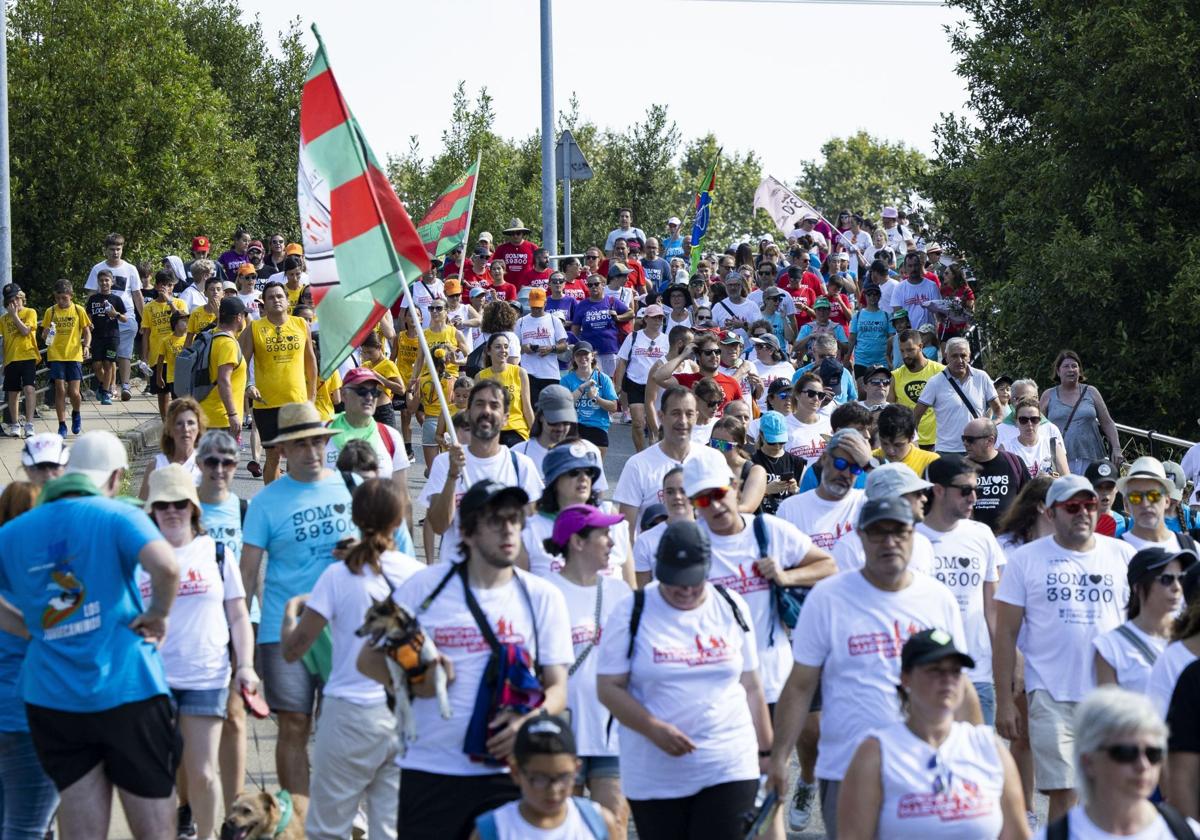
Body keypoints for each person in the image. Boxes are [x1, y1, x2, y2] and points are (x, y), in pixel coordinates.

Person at [358, 479, 572, 840]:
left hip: (508, 774)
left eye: (515, 519)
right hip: (429, 768)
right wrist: (417, 676)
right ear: (469, 532)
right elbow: (367, 659)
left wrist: (527, 722)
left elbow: (558, 688)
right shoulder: (422, 586)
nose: (508, 529)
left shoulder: (543, 596)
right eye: (495, 521)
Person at [0, 431, 181, 839]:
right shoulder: (117, 515)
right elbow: (167, 567)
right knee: (154, 828)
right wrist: (157, 615)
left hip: (54, 701)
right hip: (128, 690)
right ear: (117, 477)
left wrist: (30, 630)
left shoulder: (12, 532)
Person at [767, 496, 974, 838]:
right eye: (878, 533)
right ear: (859, 536)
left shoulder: (938, 598)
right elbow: (801, 685)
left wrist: (973, 757)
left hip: (923, 765)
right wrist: (779, 759)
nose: (889, 542)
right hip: (846, 766)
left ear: (914, 536)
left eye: (899, 532)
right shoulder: (827, 598)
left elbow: (960, 687)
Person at [596, 520, 774, 840]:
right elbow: (608, 688)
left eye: (694, 581)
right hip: (655, 771)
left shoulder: (731, 605)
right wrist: (653, 727)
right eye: (675, 582)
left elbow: (750, 685)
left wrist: (768, 754)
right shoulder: (631, 611)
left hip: (728, 762)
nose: (686, 590)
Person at [280, 479, 422, 840]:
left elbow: (294, 649)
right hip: (403, 716)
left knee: (329, 828)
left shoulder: (338, 575)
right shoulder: (418, 575)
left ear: (355, 518)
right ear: (399, 518)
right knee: (389, 830)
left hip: (347, 714)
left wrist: (290, 612)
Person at [993, 474, 1136, 823]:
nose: (1083, 513)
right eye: (1072, 507)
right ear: (1049, 512)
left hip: (1110, 698)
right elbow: (1005, 633)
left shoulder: (1123, 554)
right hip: (1051, 694)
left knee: (1112, 793)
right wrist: (1004, 702)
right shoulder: (1026, 559)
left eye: (1088, 505)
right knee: (1065, 794)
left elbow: (1141, 625)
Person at [239, 402, 356, 797]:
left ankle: (335, 814)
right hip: (282, 630)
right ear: (282, 451)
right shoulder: (266, 502)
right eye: (301, 444)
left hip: (343, 627)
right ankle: (299, 821)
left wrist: (361, 551)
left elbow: (384, 552)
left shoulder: (351, 486)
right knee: (293, 724)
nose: (312, 452)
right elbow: (247, 572)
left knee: (339, 727)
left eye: (318, 442)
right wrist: (245, 640)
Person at [141, 465, 257, 840]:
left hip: (205, 675)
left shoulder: (216, 552)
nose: (172, 511)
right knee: (160, 775)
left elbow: (238, 613)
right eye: (163, 505)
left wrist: (247, 666)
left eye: (180, 503)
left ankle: (205, 835)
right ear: (152, 511)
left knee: (203, 772)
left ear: (193, 508)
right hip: (151, 680)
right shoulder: (139, 560)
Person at [837, 629, 1029, 840]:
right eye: (935, 670)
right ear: (906, 679)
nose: (947, 679)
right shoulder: (876, 753)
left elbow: (1018, 835)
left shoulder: (988, 748)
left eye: (955, 671)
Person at [540, 505, 633, 836]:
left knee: (615, 823)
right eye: (604, 535)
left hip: (613, 731)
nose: (611, 542)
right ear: (577, 542)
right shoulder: (544, 593)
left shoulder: (621, 593)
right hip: (562, 733)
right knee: (562, 829)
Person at [1040, 686, 1200, 838]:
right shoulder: (1053, 836)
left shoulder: (1186, 833)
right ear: (1088, 762)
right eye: (1126, 753)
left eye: (1153, 754)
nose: (1143, 765)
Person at [918, 456, 1007, 725]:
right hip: (926, 671)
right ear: (938, 490)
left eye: (976, 490)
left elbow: (993, 607)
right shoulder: (911, 537)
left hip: (976, 671)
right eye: (965, 490)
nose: (973, 498)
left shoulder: (981, 534)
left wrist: (1006, 664)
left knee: (977, 760)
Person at [421, 379, 545, 566]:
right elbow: (438, 525)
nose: (486, 411)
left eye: (494, 405)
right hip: (456, 580)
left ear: (505, 418)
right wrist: (452, 477)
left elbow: (534, 532)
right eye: (480, 404)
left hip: (504, 580)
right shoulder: (445, 462)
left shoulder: (521, 466)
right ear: (468, 414)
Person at [470, 713, 619, 840]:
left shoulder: (599, 823)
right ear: (515, 772)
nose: (553, 790)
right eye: (540, 778)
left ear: (577, 769)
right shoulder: (493, 830)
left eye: (563, 777)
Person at [611, 385, 728, 546]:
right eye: (675, 413)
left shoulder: (714, 459)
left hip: (704, 558)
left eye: (689, 414)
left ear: (696, 417)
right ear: (661, 416)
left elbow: (725, 515)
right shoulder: (637, 465)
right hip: (653, 562)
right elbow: (626, 530)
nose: (683, 421)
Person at [523, 442, 632, 586]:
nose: (583, 478)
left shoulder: (610, 517)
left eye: (588, 472)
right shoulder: (530, 530)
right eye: (574, 472)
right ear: (554, 481)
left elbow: (632, 588)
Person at [241, 281, 317, 484]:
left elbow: (311, 362)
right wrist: (248, 385)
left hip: (297, 402)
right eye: (271, 297)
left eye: (279, 296)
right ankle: (272, 503)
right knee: (273, 457)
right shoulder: (255, 327)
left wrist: (312, 398)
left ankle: (293, 501)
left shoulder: (301, 324)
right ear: (263, 303)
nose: (276, 300)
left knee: (297, 456)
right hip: (267, 404)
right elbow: (241, 363)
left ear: (287, 300)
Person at [1093, 547, 1190, 693]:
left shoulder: (1191, 636)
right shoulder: (1110, 646)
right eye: (1166, 579)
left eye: (1181, 578)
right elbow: (1109, 711)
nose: (1177, 587)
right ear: (1138, 588)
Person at [324, 367, 413, 518]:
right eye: (361, 391)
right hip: (333, 533)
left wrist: (406, 539)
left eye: (374, 392)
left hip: (377, 532)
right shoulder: (322, 434)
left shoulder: (390, 436)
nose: (369, 397)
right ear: (344, 395)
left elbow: (402, 498)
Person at [777, 427, 870, 552]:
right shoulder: (790, 509)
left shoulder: (867, 504)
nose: (846, 474)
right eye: (841, 464)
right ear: (825, 458)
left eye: (855, 468)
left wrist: (868, 465)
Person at [1040, 350, 1124, 474]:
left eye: (1074, 366)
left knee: (1092, 492)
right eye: (1066, 366)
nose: (1071, 369)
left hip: (1092, 457)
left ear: (1079, 370)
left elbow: (1107, 422)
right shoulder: (1048, 395)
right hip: (1061, 458)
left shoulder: (1091, 392)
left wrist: (1116, 448)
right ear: (1058, 371)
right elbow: (1037, 424)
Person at [913, 337, 1002, 455]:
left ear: (969, 356)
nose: (959, 360)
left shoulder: (981, 377)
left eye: (963, 355)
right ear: (946, 357)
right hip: (947, 451)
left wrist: (988, 427)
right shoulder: (935, 382)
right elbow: (915, 416)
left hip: (978, 450)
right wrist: (914, 445)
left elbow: (999, 412)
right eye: (954, 356)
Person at [83, 233, 143, 401]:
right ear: (106, 250)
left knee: (124, 353)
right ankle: (109, 386)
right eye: (112, 249)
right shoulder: (97, 268)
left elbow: (137, 294)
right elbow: (91, 295)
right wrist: (86, 321)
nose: (115, 252)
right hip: (102, 319)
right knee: (102, 361)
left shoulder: (130, 269)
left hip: (125, 315)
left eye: (118, 249)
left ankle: (124, 385)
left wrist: (144, 319)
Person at [614, 304, 670, 452]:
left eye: (660, 318)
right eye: (654, 317)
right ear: (645, 319)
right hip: (635, 383)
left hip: (658, 386)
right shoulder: (633, 336)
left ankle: (655, 450)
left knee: (655, 424)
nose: (657, 321)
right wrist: (618, 386)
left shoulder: (667, 340)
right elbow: (622, 361)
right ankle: (640, 453)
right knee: (638, 423)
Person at [40, 278, 91, 438]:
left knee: (74, 392)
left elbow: (86, 331)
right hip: (56, 354)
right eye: (58, 298)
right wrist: (46, 333)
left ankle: (76, 413)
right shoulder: (51, 311)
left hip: (74, 354)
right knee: (60, 389)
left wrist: (87, 346)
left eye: (64, 298)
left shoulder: (78, 310)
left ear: (71, 295)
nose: (61, 301)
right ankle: (62, 424)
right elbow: (44, 334)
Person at [964, 417, 1033, 532]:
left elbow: (1030, 499)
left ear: (990, 441)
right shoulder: (961, 467)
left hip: (1009, 538)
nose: (965, 443)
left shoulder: (1014, 462)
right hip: (973, 538)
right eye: (964, 439)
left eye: (970, 439)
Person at [196, 297, 249, 435]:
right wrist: (232, 414)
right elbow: (223, 380)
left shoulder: (209, 335)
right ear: (239, 317)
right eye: (244, 315)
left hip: (204, 413)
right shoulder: (228, 344)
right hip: (220, 418)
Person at [1120, 456, 1194, 552]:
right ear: (1126, 503)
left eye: (1154, 495)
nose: (1146, 504)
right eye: (1136, 497)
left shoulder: (1193, 519)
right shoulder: (1119, 547)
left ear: (1166, 500)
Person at [138, 396, 205, 500]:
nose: (186, 429)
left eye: (191, 423)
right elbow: (142, 508)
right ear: (169, 429)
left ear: (199, 427)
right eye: (179, 423)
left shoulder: (206, 465)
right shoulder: (156, 466)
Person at [890, 329, 945, 450]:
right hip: (910, 442)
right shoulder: (896, 376)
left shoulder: (940, 371)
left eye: (910, 350)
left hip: (939, 441)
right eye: (902, 351)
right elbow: (891, 410)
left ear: (920, 346)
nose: (905, 355)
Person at [560, 342, 618, 455]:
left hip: (598, 426)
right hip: (575, 427)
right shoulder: (566, 380)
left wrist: (595, 398)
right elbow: (563, 406)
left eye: (585, 354)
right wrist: (581, 388)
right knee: (574, 468)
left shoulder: (603, 379)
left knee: (596, 469)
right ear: (574, 359)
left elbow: (613, 407)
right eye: (578, 355)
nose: (582, 358)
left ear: (592, 356)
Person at [571, 271, 632, 377]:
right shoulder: (582, 305)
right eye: (590, 285)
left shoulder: (612, 301)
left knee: (611, 383)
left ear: (603, 285)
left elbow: (631, 313)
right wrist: (576, 347)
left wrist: (618, 318)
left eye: (596, 284)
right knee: (592, 382)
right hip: (589, 352)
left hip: (610, 349)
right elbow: (575, 328)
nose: (593, 287)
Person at [477, 333, 534, 446]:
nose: (503, 350)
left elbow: (527, 407)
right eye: (498, 347)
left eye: (506, 346)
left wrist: (536, 435)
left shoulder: (520, 372)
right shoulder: (480, 377)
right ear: (489, 351)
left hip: (515, 429)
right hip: (490, 428)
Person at [515, 288, 569, 403]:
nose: (536, 309)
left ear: (545, 303)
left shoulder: (554, 320)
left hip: (550, 373)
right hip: (528, 373)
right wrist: (524, 348)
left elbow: (564, 345)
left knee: (550, 411)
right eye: (533, 306)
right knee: (532, 409)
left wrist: (552, 348)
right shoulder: (521, 322)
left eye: (539, 306)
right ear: (529, 303)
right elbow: (514, 348)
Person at [707, 415, 768, 513]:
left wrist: (711, 509)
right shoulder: (705, 467)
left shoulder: (755, 471)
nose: (718, 448)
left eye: (724, 444)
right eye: (714, 443)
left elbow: (747, 508)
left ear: (739, 445)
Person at [83, 270, 127, 404]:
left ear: (112, 282)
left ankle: (106, 393)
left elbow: (125, 319)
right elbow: (88, 317)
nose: (104, 283)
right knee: (96, 365)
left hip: (112, 336)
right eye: (101, 280)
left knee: (108, 364)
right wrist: (89, 324)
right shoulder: (93, 299)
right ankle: (104, 386)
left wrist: (116, 314)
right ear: (98, 282)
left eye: (107, 280)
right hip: (97, 337)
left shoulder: (116, 299)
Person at [1000, 397, 1070, 477]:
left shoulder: (1053, 445)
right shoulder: (1006, 448)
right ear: (1016, 422)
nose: (1029, 424)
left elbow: (1067, 479)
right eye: (1023, 420)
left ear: (1040, 421)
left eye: (1034, 419)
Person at [1, 284, 38, 438]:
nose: (15, 302)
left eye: (17, 298)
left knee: (29, 389)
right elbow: (4, 342)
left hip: (28, 355)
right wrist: (3, 362)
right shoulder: (3, 319)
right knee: (13, 392)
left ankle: (29, 424)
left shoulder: (30, 312)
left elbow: (25, 331)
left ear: (22, 297)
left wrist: (15, 316)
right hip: (11, 358)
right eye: (11, 300)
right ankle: (15, 424)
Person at [875, 403, 940, 475]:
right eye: (885, 443)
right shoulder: (870, 459)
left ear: (912, 437)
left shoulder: (930, 462)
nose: (890, 451)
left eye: (898, 445)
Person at [493, 218, 539, 290]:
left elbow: (539, 269)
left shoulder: (533, 247)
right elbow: (493, 269)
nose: (515, 236)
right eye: (512, 233)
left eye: (518, 233)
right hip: (506, 289)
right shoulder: (501, 249)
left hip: (527, 288)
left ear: (522, 233)